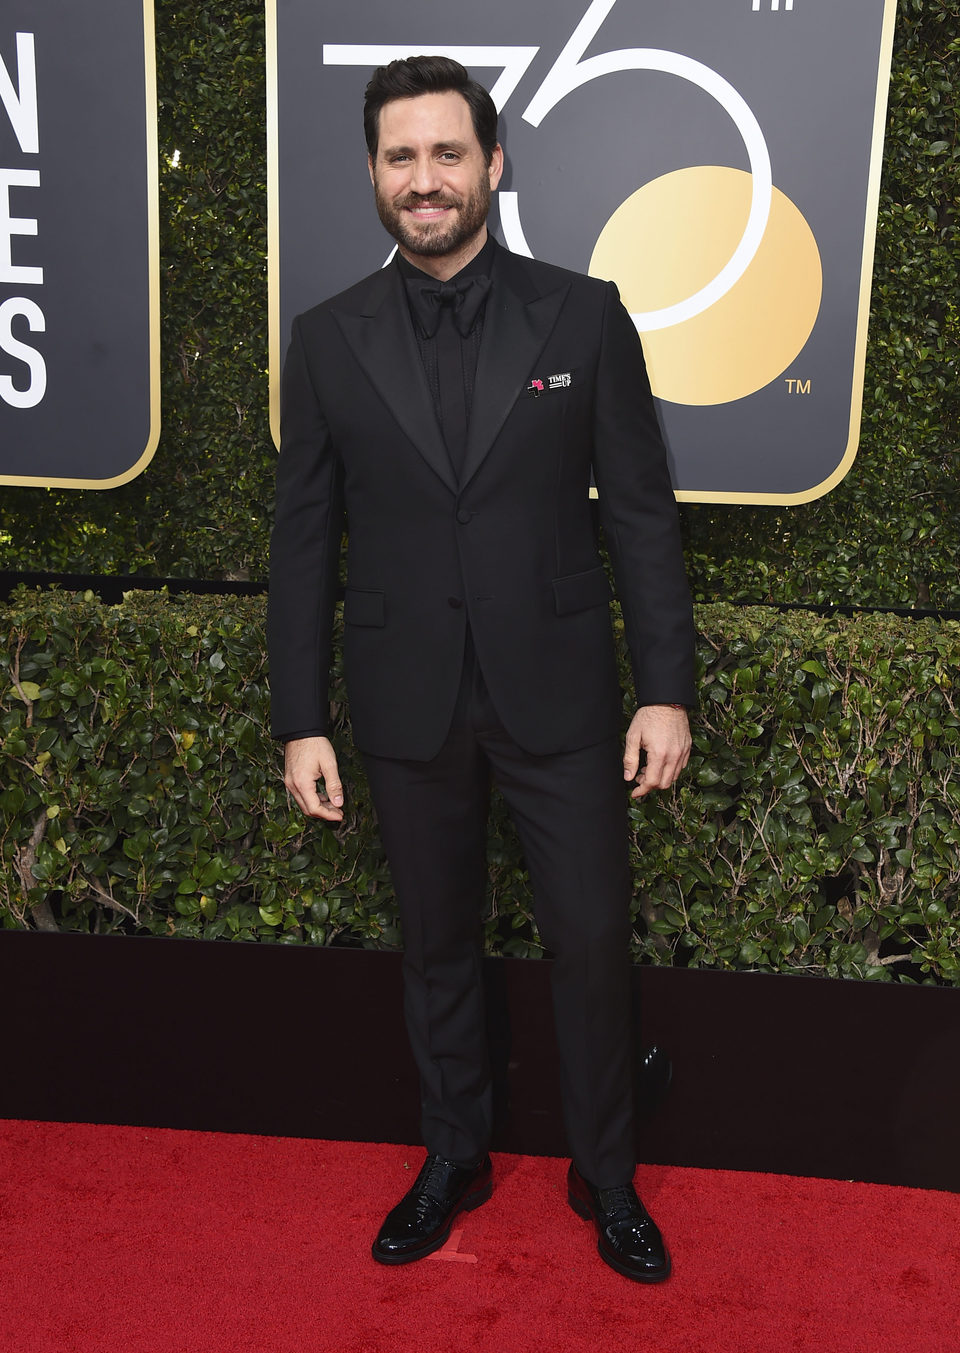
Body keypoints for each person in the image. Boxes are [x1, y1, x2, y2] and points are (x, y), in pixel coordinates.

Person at [268, 55, 695, 1283]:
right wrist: (302, 718)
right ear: (372, 175)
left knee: (591, 939)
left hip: (558, 692)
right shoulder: (327, 338)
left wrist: (664, 687)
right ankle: (452, 1156)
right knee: (436, 945)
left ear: (494, 164)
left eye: (447, 153)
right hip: (407, 696)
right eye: (401, 157)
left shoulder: (583, 313)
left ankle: (606, 1176)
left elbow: (644, 519)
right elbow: (304, 544)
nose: (425, 179)